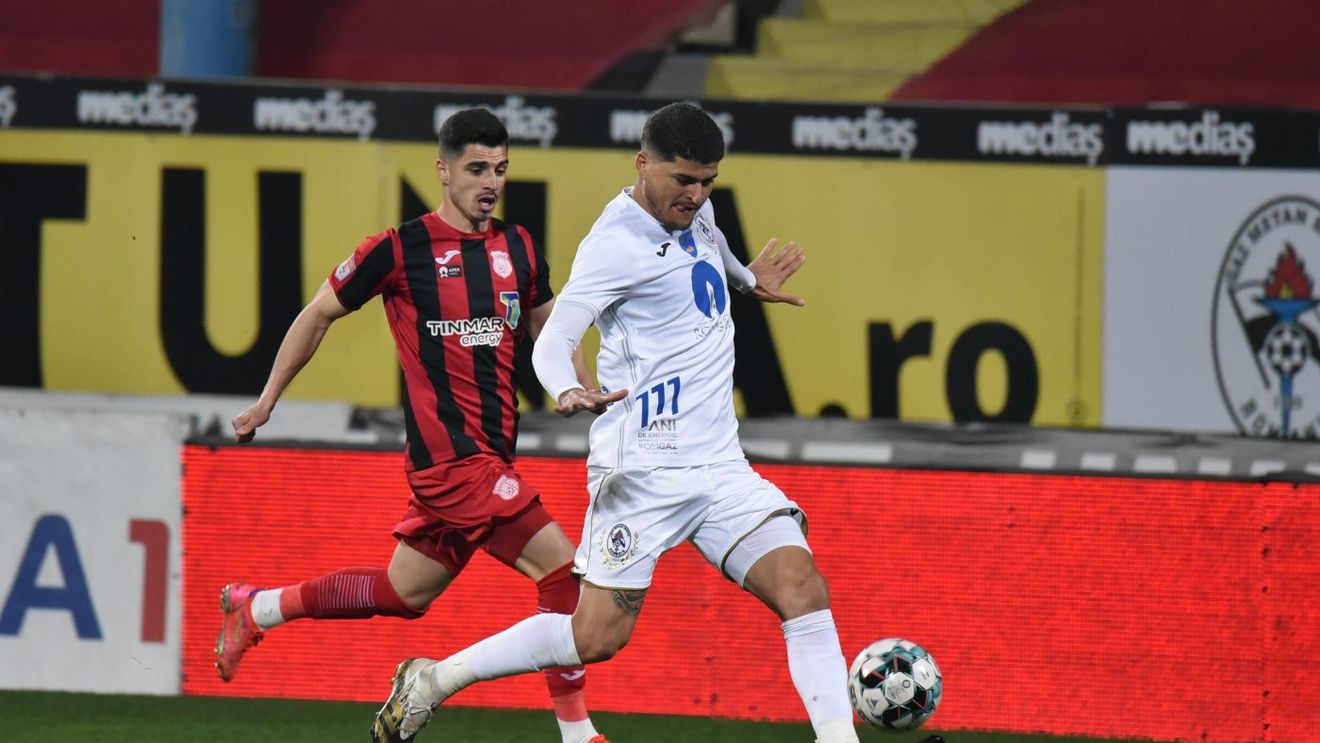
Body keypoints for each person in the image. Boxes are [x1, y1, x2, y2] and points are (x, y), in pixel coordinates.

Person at [371, 102, 860, 743]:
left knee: (803, 588)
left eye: (708, 182)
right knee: (596, 637)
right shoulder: (612, 246)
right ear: (642, 164)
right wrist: (567, 387)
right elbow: (554, 340)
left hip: (721, 466)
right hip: (643, 471)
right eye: (684, 180)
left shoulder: (695, 211)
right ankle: (435, 680)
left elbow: (709, 248)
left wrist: (745, 280)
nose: (697, 195)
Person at [216, 108, 610, 743]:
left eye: (500, 169)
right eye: (476, 169)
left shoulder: (518, 247)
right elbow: (317, 314)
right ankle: (578, 734)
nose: (490, 182)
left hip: (489, 460)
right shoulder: (399, 249)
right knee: (565, 575)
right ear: (443, 171)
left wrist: (574, 385)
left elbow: (551, 325)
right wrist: (267, 401)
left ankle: (256, 607)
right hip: (451, 465)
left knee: (404, 594)